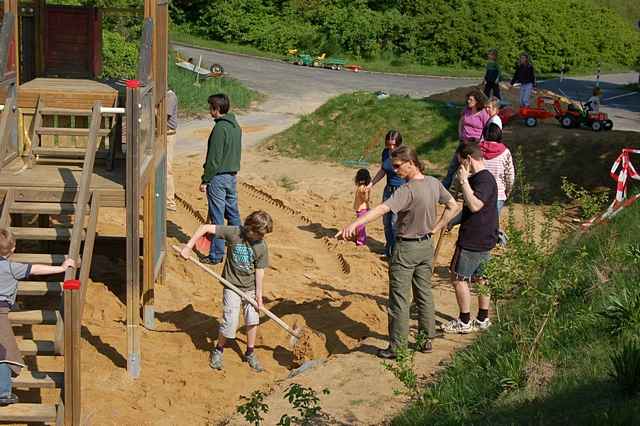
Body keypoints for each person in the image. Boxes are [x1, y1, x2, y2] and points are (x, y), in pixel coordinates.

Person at [336, 146, 459, 359]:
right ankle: (426, 339)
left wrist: (355, 224)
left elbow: (382, 209)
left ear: (411, 163)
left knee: (399, 300)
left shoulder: (406, 190)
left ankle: (397, 347)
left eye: (397, 166)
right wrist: (437, 227)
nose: (394, 171)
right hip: (425, 246)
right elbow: (452, 205)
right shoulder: (433, 183)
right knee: (424, 293)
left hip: (406, 249)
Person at [180, 211, 273, 372]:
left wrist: (258, 297)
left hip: (250, 288)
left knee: (253, 319)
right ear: (250, 228)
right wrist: (188, 247)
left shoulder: (261, 246)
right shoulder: (234, 232)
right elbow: (204, 228)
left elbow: (259, 271)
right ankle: (218, 349)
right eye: (259, 234)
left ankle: (250, 352)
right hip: (231, 286)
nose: (261, 238)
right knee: (230, 321)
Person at [0, 228, 76, 405]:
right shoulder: (12, 267)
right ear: (13, 249)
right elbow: (35, 269)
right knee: (4, 352)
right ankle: (3, 393)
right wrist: (62, 267)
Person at [442, 144, 498, 334]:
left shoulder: (483, 180)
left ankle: (464, 321)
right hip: (485, 235)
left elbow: (474, 205)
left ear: (468, 159)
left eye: (460, 163)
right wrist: (453, 221)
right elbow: (469, 208)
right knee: (482, 277)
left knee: (458, 278)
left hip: (474, 237)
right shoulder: (483, 179)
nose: (460, 167)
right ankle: (483, 318)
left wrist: (463, 181)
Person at [201, 93, 243, 265]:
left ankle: (216, 255)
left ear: (217, 109)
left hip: (218, 178)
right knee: (233, 215)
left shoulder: (220, 128)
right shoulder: (236, 126)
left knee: (217, 217)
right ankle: (241, 249)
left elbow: (213, 158)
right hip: (232, 177)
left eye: (211, 108)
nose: (210, 112)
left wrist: (205, 179)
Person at [368, 130, 406, 257]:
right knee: (386, 222)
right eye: (389, 144)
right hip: (388, 190)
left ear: (399, 144)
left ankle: (396, 252)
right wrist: (371, 183)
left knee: (394, 223)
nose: (391, 147)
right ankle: (389, 248)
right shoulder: (385, 153)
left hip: (400, 191)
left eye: (394, 145)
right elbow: (383, 170)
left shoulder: (404, 155)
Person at [166, 88, 178, 211]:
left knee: (166, 169)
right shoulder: (165, 96)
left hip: (168, 135)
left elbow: (163, 116)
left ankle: (170, 201)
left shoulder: (170, 97)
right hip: (163, 134)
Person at [353, 169, 371, 247]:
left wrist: (366, 193)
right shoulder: (361, 187)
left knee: (361, 226)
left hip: (362, 209)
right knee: (359, 225)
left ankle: (361, 241)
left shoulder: (363, 188)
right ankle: (359, 237)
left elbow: (366, 199)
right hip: (360, 209)